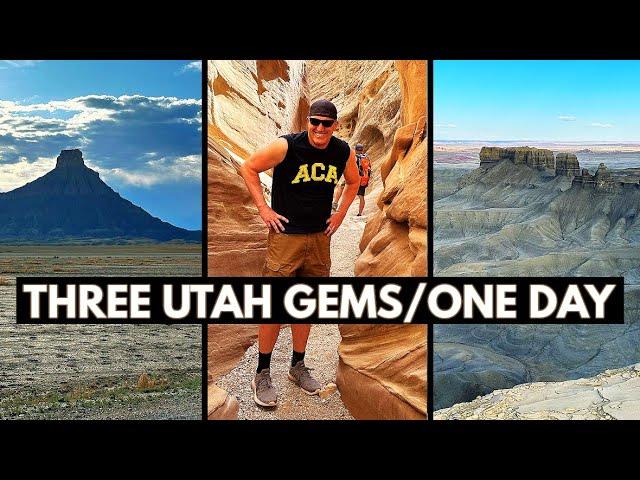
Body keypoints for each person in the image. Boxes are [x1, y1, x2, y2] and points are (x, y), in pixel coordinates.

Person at [239, 98, 360, 407]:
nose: (319, 128)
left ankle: (297, 365)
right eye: (315, 122)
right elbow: (249, 167)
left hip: (319, 238)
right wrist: (264, 209)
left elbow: (354, 181)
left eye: (326, 123)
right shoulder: (286, 146)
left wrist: (340, 214)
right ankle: (262, 372)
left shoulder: (342, 151)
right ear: (308, 121)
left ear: (336, 126)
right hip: (285, 238)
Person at [354, 144, 371, 216]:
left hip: (356, 178)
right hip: (364, 178)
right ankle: (360, 213)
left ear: (355, 150)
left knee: (345, 190)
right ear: (362, 150)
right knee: (361, 196)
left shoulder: (355, 157)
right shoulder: (366, 157)